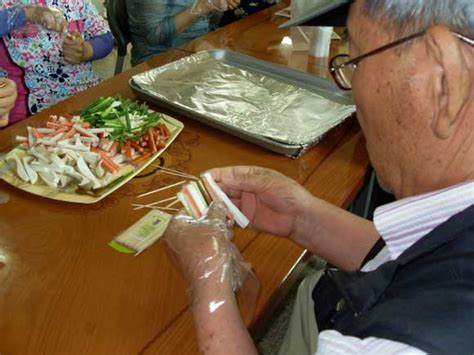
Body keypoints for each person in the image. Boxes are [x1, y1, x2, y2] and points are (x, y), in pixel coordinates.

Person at [163, 0, 474, 354]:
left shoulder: (400, 344)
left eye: (355, 60)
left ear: (444, 79)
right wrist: (301, 216)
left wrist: (209, 289)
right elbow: (413, 258)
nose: (350, 88)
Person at [0, 2, 113, 125]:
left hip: (85, 95)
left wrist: (86, 51)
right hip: (32, 110)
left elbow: (105, 39)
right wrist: (26, 13)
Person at [126, 0, 240, 66]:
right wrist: (205, 5)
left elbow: (207, 24)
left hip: (195, 47)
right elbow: (154, 36)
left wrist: (219, 6)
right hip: (159, 59)